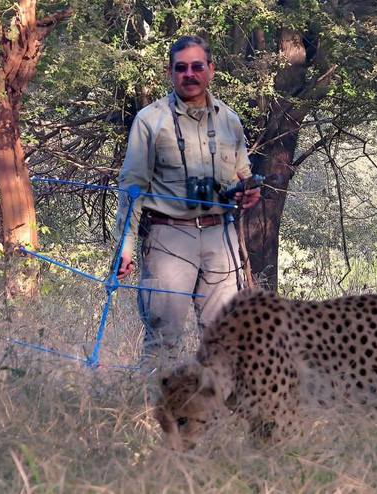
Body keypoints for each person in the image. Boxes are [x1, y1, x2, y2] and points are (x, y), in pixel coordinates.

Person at [114, 35, 261, 366]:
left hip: (221, 237)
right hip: (169, 236)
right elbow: (132, 186)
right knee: (163, 340)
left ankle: (218, 400)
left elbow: (242, 175)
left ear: (211, 69)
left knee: (226, 341)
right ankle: (154, 400)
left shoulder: (230, 119)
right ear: (170, 72)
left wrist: (248, 191)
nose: (189, 74)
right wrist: (125, 245)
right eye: (181, 68)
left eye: (197, 66)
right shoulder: (150, 120)